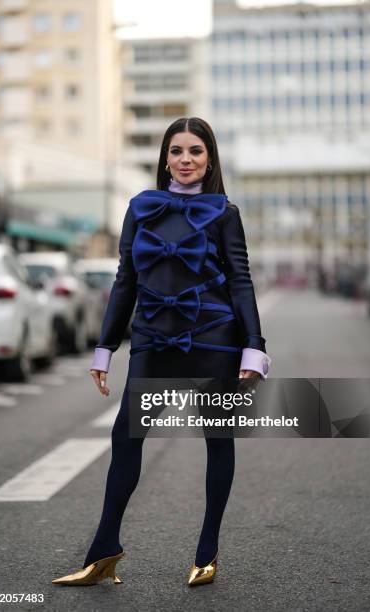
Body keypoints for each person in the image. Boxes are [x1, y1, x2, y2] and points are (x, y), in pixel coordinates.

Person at [52, 117, 272, 588]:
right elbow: (125, 280)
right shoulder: (140, 207)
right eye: (176, 151)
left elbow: (240, 280)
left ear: (210, 158)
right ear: (165, 158)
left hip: (215, 341)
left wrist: (254, 347)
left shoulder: (224, 213)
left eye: (195, 151)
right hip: (152, 342)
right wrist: (105, 347)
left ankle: (207, 553)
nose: (185, 160)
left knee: (218, 442)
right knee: (126, 439)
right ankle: (104, 551)